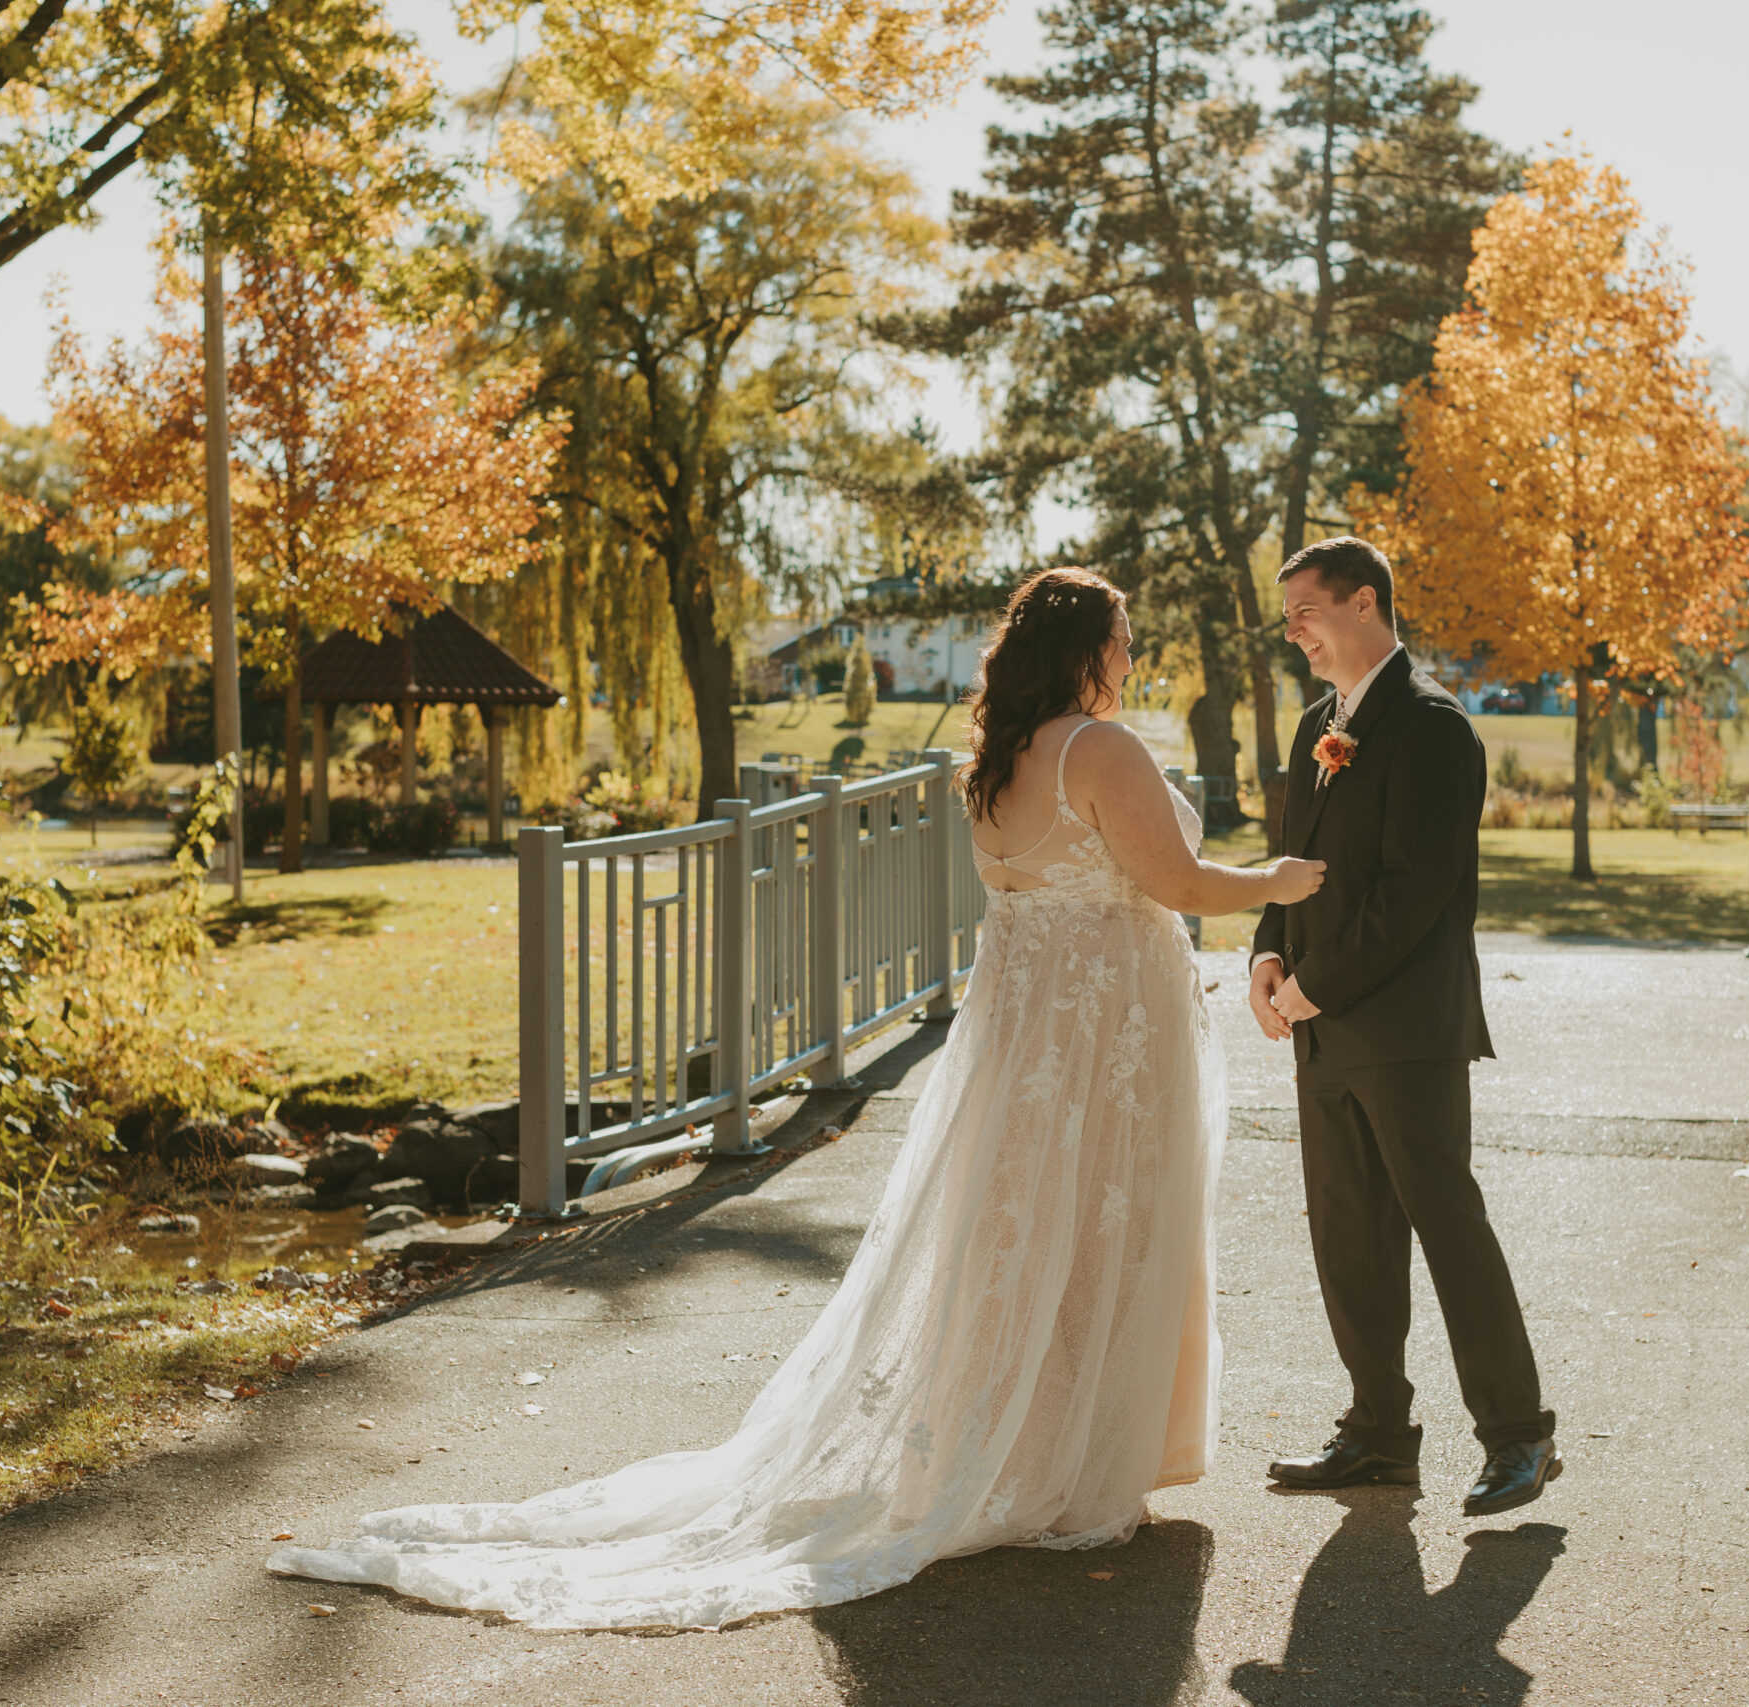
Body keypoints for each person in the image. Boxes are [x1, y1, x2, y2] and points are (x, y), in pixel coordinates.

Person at [268, 566, 1323, 1630]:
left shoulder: (1000, 760)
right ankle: (1077, 1463)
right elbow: (1178, 883)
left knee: (1021, 1233)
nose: (1133, 657)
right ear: (1087, 649)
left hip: (1028, 1043)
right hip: (1104, 1047)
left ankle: (1031, 1445)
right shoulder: (1100, 749)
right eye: (1125, 637)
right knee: (1104, 1229)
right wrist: (1275, 881)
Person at [1248, 536, 1561, 1514]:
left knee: (1445, 1225)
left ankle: (1518, 1436)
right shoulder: (1315, 727)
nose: (1292, 630)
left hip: (1405, 1029)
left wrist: (1315, 986)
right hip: (1320, 1029)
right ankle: (1377, 1431)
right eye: (1287, 613)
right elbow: (1292, 861)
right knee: (1347, 1236)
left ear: (1367, 604)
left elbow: (1412, 896)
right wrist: (1266, 950)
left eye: (1305, 609)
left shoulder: (1433, 731)